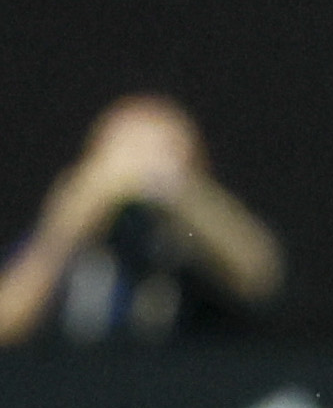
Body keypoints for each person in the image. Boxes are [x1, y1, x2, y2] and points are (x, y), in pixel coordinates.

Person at [0, 96, 282, 344]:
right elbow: (8, 323)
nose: (139, 170)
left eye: (164, 151)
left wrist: (183, 195)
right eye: (127, 149)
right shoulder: (66, 240)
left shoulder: (196, 246)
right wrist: (71, 217)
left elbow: (260, 279)